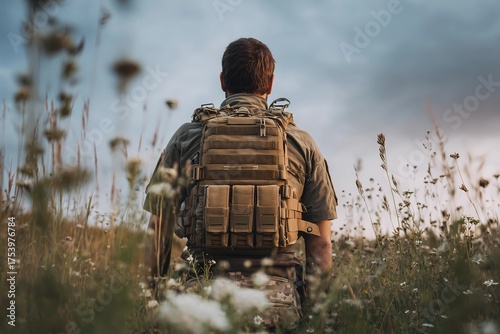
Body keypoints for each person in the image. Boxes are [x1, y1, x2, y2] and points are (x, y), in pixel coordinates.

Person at [143, 37, 337, 329]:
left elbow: (158, 229)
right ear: (270, 85)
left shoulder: (186, 137)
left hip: (201, 304)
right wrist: (317, 318)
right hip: (277, 306)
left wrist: (154, 302)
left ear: (223, 81)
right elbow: (320, 246)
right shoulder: (303, 143)